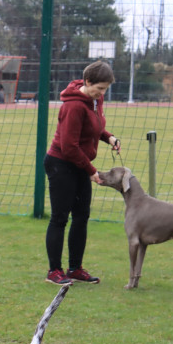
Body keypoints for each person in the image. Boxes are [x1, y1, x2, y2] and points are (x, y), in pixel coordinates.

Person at [43, 60, 121, 286]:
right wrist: (91, 171)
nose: (102, 93)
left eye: (105, 89)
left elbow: (94, 127)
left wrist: (109, 137)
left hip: (79, 164)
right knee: (60, 218)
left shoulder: (95, 100)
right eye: (99, 88)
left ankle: (75, 268)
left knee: (81, 216)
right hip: (61, 164)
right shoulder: (73, 106)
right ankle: (54, 271)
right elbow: (69, 147)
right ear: (87, 82)